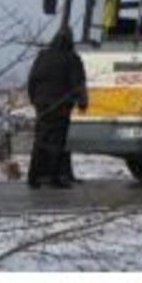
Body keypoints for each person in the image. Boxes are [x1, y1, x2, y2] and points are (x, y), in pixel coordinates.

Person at [26, 27, 88, 189]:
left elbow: (32, 80)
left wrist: (34, 100)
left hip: (42, 105)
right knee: (57, 142)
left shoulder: (42, 56)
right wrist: (82, 102)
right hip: (61, 105)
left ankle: (33, 177)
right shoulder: (72, 58)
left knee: (40, 139)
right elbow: (78, 84)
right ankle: (54, 177)